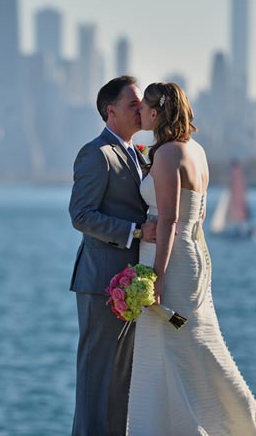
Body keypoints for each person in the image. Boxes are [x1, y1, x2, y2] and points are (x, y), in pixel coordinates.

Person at [125, 82, 256, 435]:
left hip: (169, 262)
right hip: (192, 256)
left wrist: (156, 276)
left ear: (156, 112)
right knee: (192, 344)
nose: (139, 111)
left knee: (173, 350)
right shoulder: (196, 150)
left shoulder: (168, 154)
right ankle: (232, 423)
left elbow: (170, 218)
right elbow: (195, 218)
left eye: (144, 106)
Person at [69, 76, 156, 436]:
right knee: (97, 377)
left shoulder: (137, 153)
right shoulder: (97, 154)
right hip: (101, 283)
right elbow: (81, 215)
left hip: (130, 282)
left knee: (123, 379)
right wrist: (135, 232)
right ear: (111, 110)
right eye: (133, 104)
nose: (142, 109)